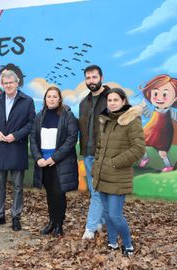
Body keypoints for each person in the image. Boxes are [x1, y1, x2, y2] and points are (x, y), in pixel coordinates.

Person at [92, 88, 145, 256]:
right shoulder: (106, 120)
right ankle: (112, 243)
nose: (112, 103)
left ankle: (128, 245)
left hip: (118, 176)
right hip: (103, 175)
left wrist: (114, 163)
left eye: (116, 100)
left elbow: (138, 149)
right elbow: (100, 148)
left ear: (123, 101)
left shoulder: (131, 120)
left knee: (115, 216)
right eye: (109, 100)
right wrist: (97, 167)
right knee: (107, 214)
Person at [0, 70, 35, 231]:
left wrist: (16, 135)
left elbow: (30, 124)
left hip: (16, 148)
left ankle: (16, 216)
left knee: (18, 186)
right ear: (2, 84)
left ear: (17, 83)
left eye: (11, 83)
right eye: (5, 83)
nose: (8, 86)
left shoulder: (27, 101)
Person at [30, 86, 78, 236]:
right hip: (43, 162)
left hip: (59, 162)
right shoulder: (40, 116)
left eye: (54, 96)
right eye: (48, 96)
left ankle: (59, 224)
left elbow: (71, 140)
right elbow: (33, 138)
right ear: (45, 99)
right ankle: (51, 221)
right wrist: (38, 158)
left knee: (58, 193)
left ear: (59, 99)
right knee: (50, 193)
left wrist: (54, 158)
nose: (51, 99)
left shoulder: (67, 116)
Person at [139, 74, 177, 172]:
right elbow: (148, 114)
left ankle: (168, 166)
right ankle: (145, 158)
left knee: (162, 153)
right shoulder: (155, 110)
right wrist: (143, 107)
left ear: (175, 99)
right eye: (155, 93)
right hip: (150, 130)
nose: (159, 98)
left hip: (164, 133)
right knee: (141, 144)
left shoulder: (169, 111)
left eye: (164, 94)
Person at [78, 64, 109, 240]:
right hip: (88, 153)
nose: (91, 81)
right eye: (88, 78)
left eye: (94, 77)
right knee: (95, 190)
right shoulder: (84, 103)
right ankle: (101, 220)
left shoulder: (112, 99)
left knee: (97, 191)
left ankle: (90, 228)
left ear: (101, 78)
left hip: (105, 154)